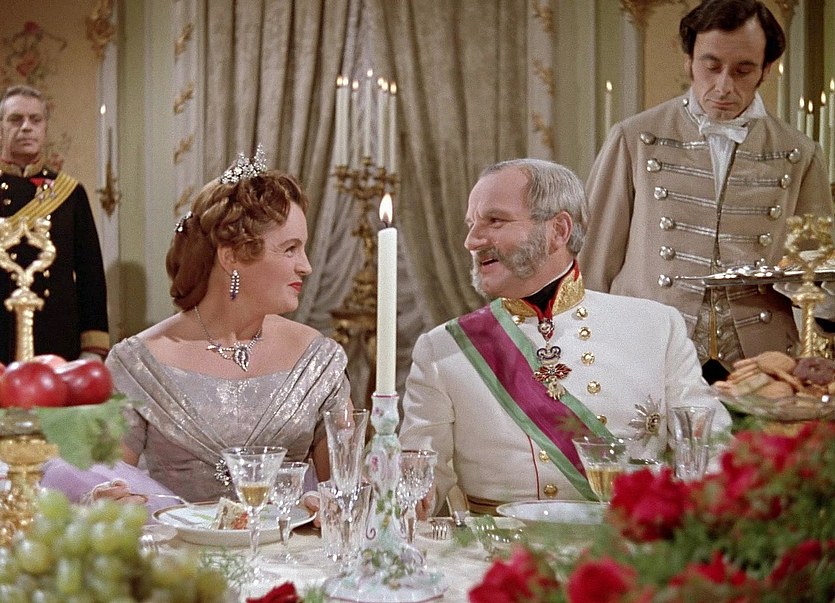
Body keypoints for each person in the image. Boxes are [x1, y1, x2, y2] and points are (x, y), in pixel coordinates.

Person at [399, 159, 732, 516]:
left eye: (495, 221)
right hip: (499, 548)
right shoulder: (443, 349)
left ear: (558, 230)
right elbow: (415, 487)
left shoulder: (656, 327)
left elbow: (712, 452)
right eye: (472, 224)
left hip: (629, 544)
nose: (472, 241)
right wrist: (400, 490)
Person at [43, 147, 351, 506]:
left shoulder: (318, 361)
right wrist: (108, 500)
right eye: (290, 249)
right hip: (176, 542)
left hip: (289, 542)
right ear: (231, 256)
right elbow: (107, 480)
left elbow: (347, 489)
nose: (306, 266)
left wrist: (328, 504)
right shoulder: (138, 364)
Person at [578, 0, 831, 383]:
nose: (724, 86)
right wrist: (586, 346)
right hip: (649, 344)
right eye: (711, 67)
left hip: (760, 357)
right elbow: (594, 256)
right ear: (689, 61)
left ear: (766, 70)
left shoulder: (799, 152)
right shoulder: (635, 138)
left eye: (743, 70)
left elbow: (818, 265)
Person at [0, 85, 109, 363]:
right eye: (16, 119)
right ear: (2, 127)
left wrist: (93, 346)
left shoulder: (70, 193)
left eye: (35, 120)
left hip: (56, 333)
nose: (26, 127)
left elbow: (90, 275)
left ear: (45, 128)